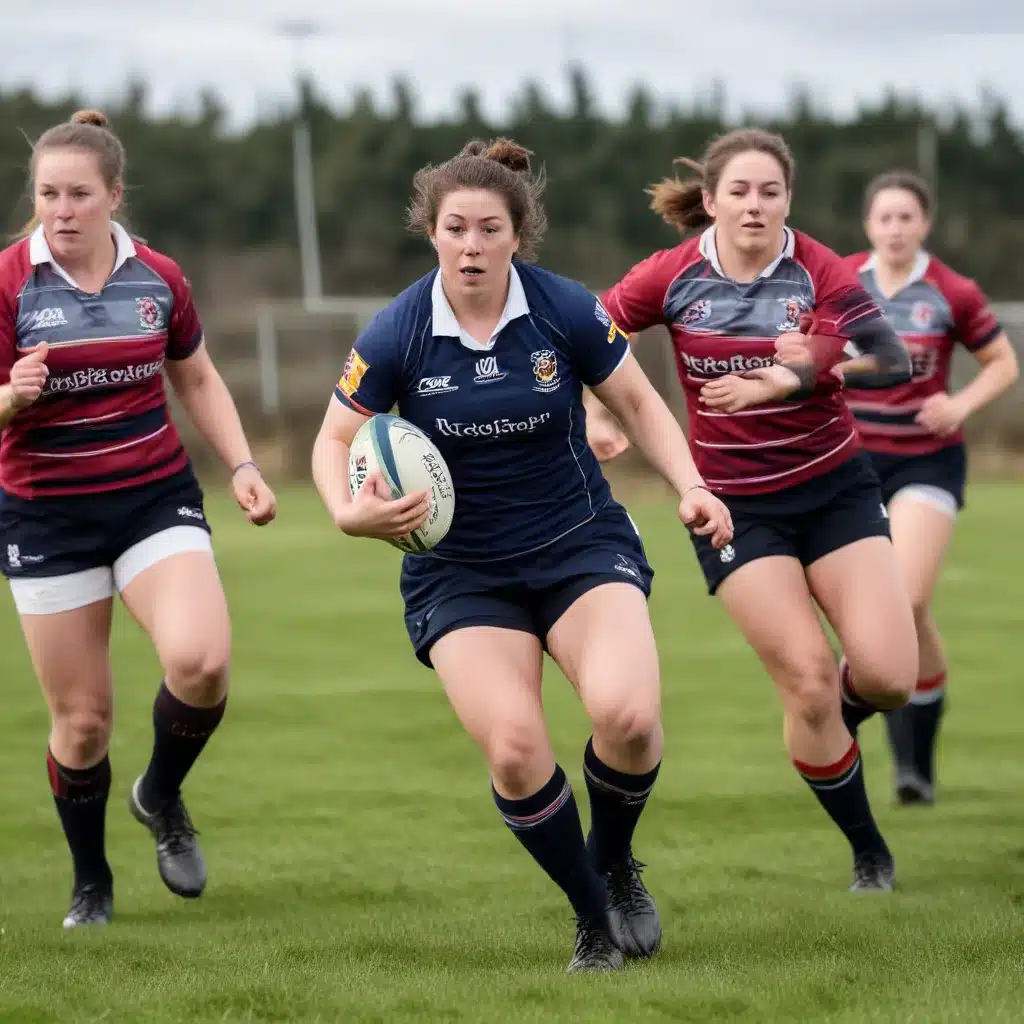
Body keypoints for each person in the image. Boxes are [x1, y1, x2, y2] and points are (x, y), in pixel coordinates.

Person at [311, 138, 732, 972]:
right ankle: (589, 916)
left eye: (489, 229)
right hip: (461, 570)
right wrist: (346, 512)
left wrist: (690, 482)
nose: (472, 246)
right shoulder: (399, 329)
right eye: (456, 228)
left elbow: (642, 405)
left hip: (579, 543)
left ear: (517, 235)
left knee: (628, 716)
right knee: (513, 747)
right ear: (432, 232)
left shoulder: (563, 308)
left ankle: (614, 862)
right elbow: (334, 438)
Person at [589, 129, 919, 893]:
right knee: (805, 681)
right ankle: (867, 848)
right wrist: (593, 411)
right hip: (735, 507)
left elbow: (890, 357)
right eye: (738, 191)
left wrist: (788, 376)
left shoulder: (819, 269)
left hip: (834, 488)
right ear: (709, 201)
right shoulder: (670, 276)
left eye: (770, 191)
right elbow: (589, 338)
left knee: (890, 677)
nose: (754, 205)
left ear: (787, 200)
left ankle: (833, 712)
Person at [0, 109, 277, 929]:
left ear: (113, 196)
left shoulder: (157, 276)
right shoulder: (10, 282)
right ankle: (92, 880)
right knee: (81, 725)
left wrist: (244, 464)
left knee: (202, 663)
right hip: (46, 516)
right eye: (48, 193)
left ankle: (160, 793)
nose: (62, 209)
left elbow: (195, 378)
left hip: (153, 497)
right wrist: (11, 398)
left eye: (80, 194)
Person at [839, 170, 1018, 806]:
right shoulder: (842, 282)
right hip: (850, 464)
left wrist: (961, 404)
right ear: (868, 226)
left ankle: (905, 751)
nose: (895, 228)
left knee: (906, 599)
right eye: (884, 218)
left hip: (926, 464)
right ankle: (909, 769)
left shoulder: (951, 291)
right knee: (886, 613)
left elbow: (1003, 364)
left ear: (925, 223)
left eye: (906, 218)